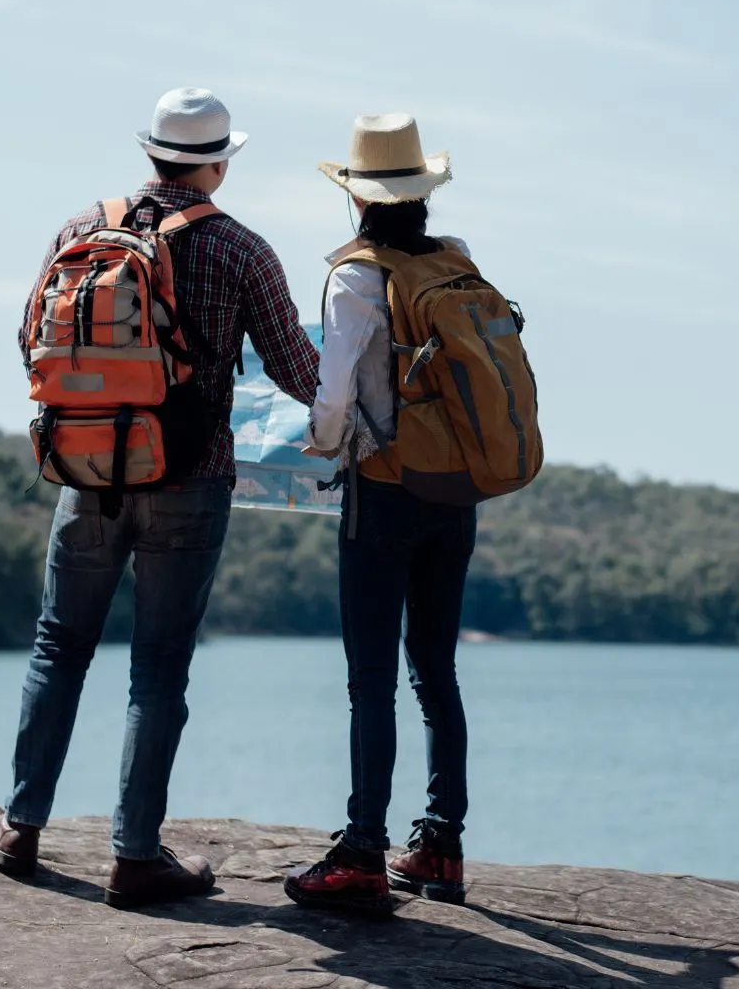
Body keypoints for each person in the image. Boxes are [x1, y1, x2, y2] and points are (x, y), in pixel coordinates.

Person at [0, 88, 324, 908]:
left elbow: (31, 337)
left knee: (60, 647)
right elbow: (301, 375)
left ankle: (20, 827)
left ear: (153, 153)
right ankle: (134, 856)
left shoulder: (82, 228)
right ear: (218, 163)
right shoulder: (242, 250)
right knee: (158, 670)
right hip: (193, 478)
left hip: (88, 474)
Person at [284, 114, 475, 915]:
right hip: (455, 492)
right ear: (421, 198)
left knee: (371, 682)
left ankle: (363, 852)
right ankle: (440, 846)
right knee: (435, 671)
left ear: (357, 201)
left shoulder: (357, 277)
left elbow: (333, 403)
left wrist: (313, 446)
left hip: (385, 491)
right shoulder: (455, 263)